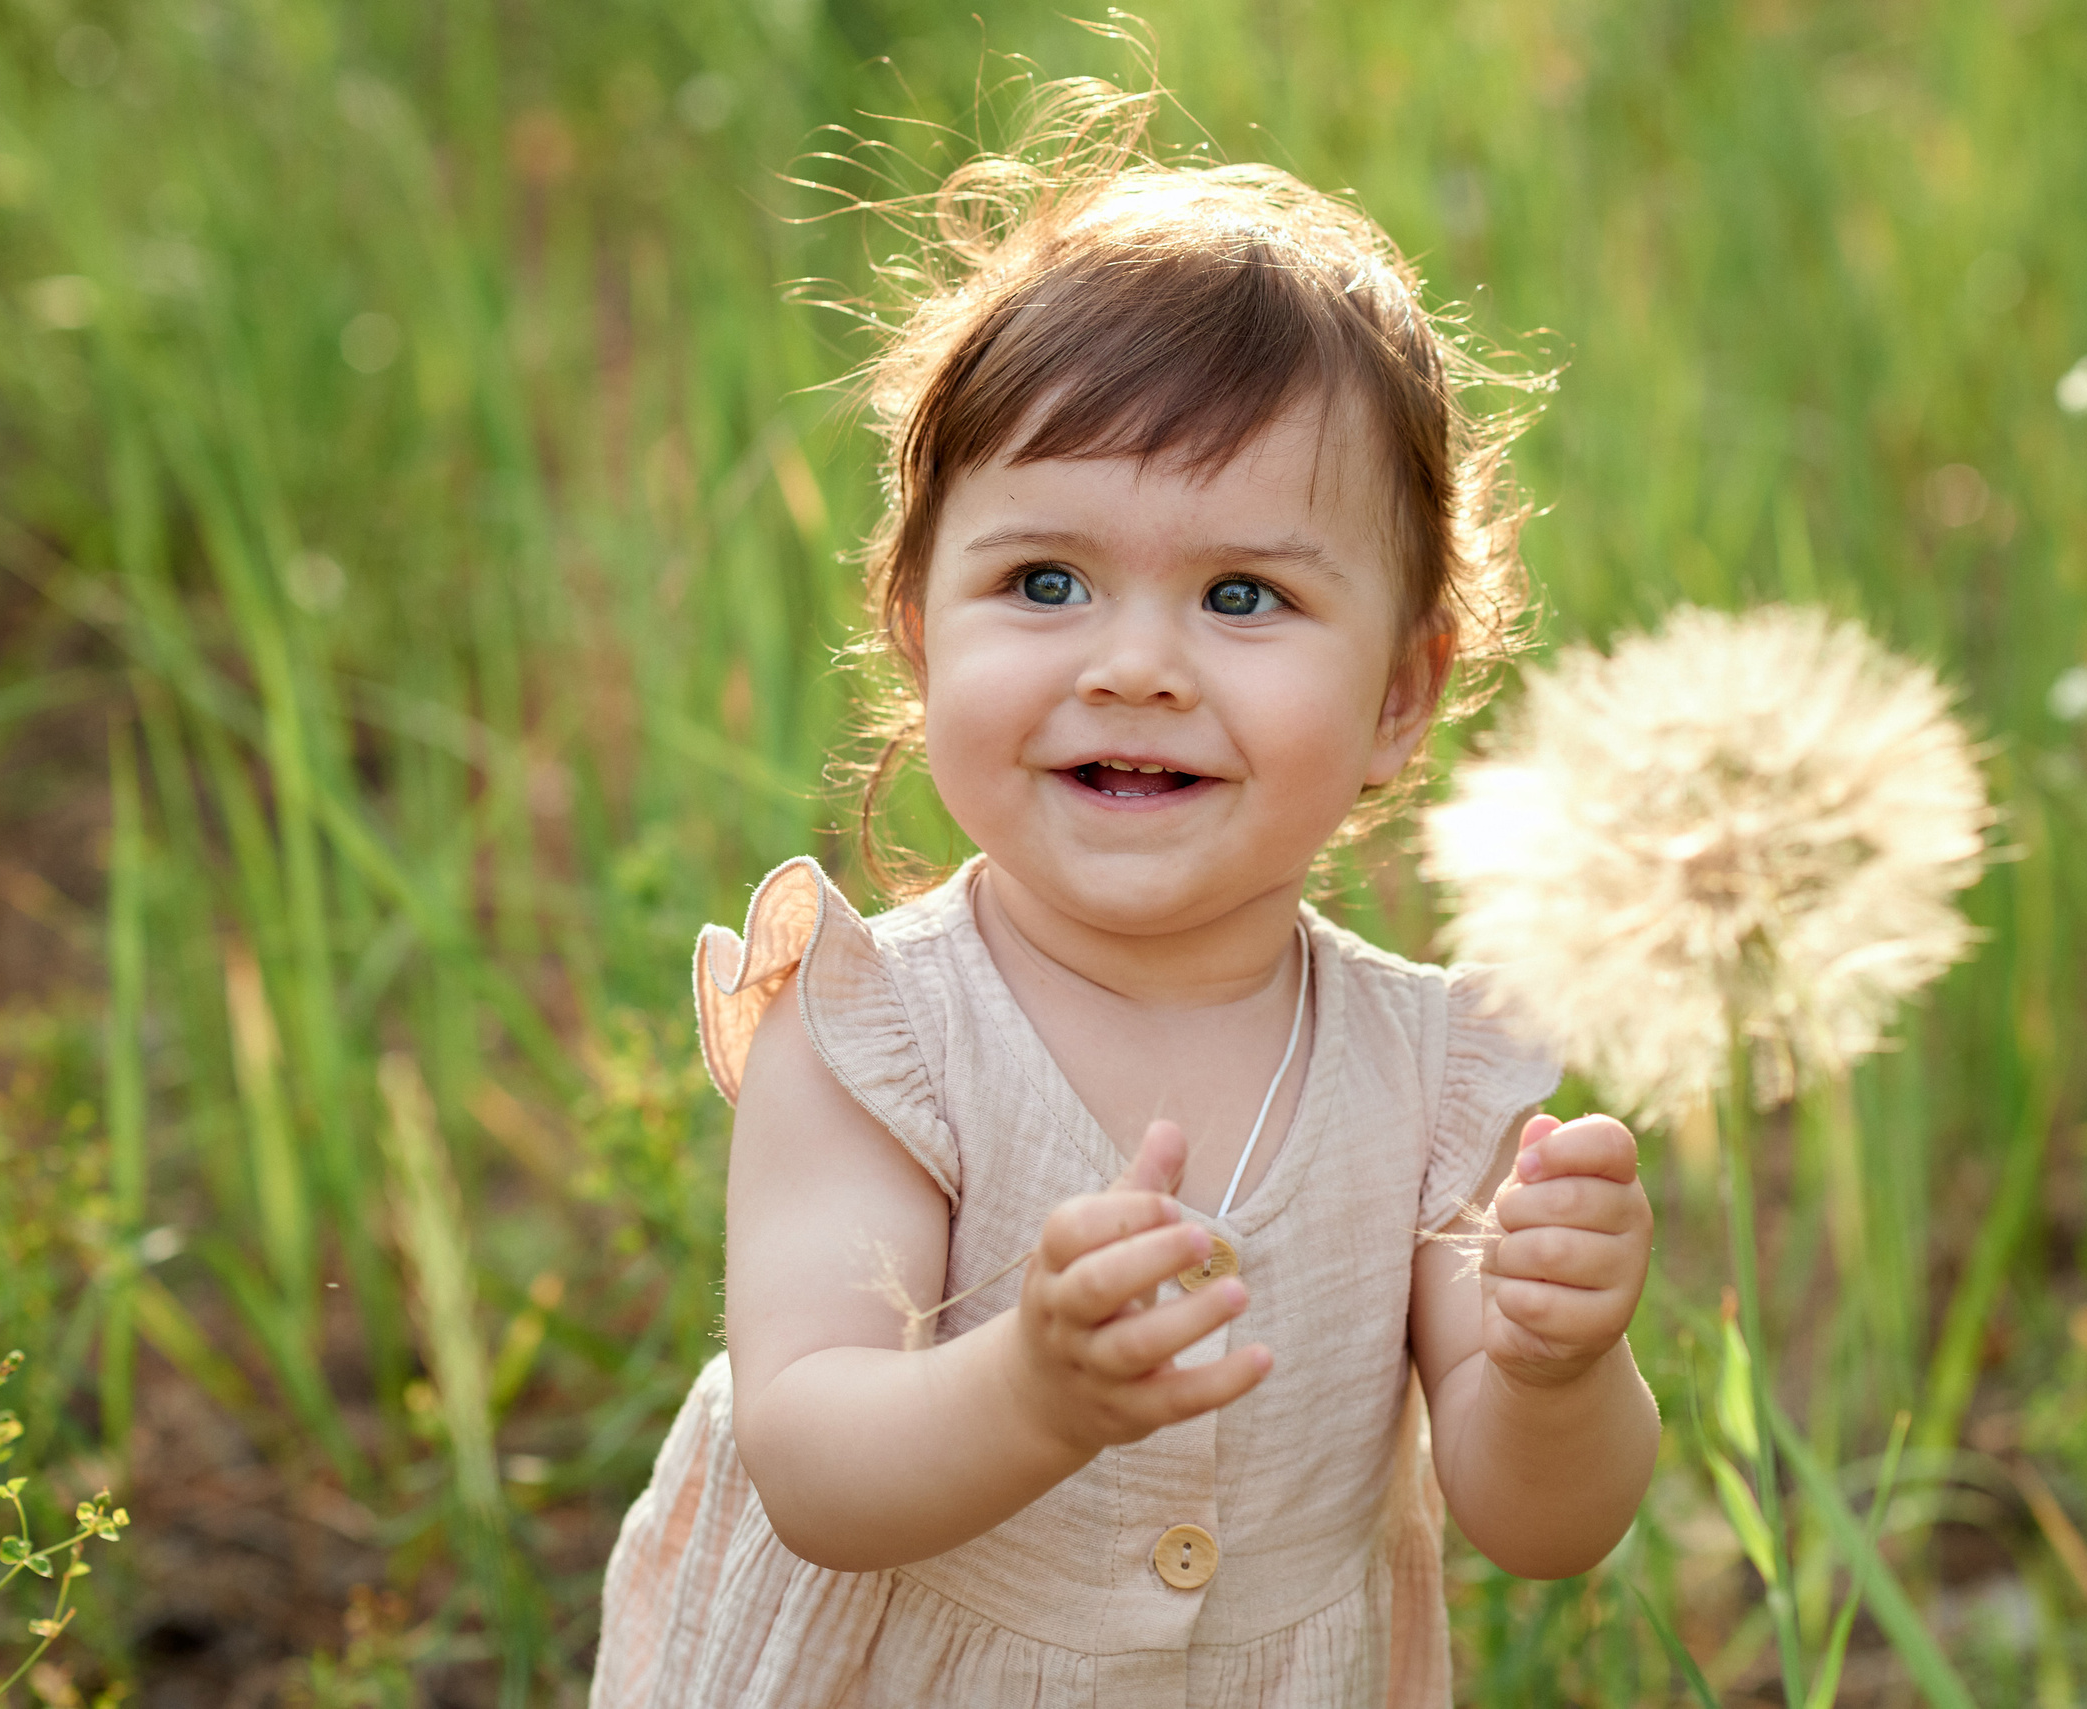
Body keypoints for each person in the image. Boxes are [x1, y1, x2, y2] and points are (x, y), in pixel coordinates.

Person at [592, 79, 1659, 1709]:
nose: (1137, 665)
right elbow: (809, 1457)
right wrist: (1028, 1389)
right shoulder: (872, 1033)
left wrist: (1563, 1363)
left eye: (1244, 594)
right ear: (918, 633)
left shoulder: (1434, 1081)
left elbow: (1541, 1523)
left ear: (1400, 694)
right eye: (1046, 581)